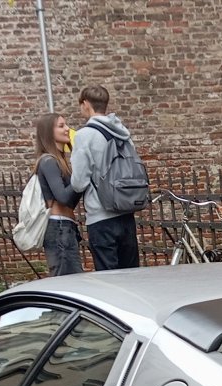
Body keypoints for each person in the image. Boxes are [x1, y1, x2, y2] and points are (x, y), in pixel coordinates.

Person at [69, 85, 138, 270]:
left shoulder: (84, 135)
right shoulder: (123, 133)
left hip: (101, 216)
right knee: (133, 277)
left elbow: (79, 182)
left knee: (109, 280)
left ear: (85, 104)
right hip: (126, 212)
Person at [32, 113, 82, 276]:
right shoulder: (48, 161)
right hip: (59, 228)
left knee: (73, 279)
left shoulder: (59, 161)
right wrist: (80, 176)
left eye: (66, 125)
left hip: (66, 226)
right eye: (61, 126)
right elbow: (63, 197)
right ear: (48, 132)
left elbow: (70, 202)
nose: (67, 129)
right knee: (66, 281)